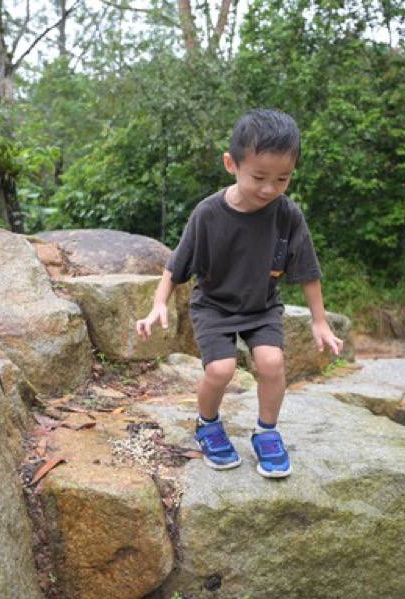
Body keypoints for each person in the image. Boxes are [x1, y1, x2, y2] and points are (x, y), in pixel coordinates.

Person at [135, 108, 342, 478]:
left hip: (262, 307)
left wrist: (320, 321)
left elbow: (308, 270)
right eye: (259, 176)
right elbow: (176, 265)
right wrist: (157, 305)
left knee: (272, 364)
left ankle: (266, 431)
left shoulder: (287, 214)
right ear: (231, 164)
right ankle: (207, 424)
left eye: (282, 179)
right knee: (220, 369)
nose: (269, 188)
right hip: (214, 306)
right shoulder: (208, 214)